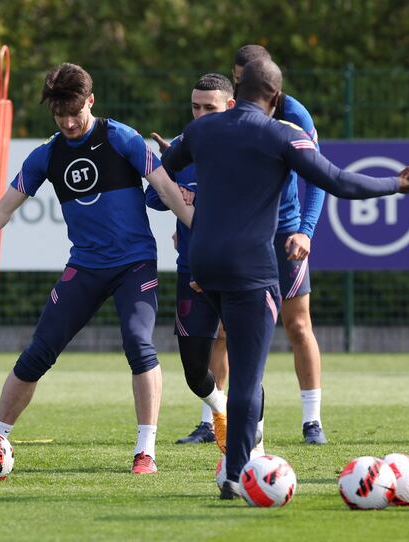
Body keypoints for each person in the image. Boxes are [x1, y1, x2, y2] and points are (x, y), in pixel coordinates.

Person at [161, 57, 409, 499]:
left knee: (219, 354)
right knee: (248, 378)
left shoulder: (199, 130)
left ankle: (243, 447)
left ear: (237, 87)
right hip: (249, 267)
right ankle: (236, 476)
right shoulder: (282, 134)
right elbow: (339, 181)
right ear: (275, 97)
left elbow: (165, 169)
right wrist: (395, 184)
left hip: (202, 263)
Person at [0, 63, 193, 474]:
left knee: (138, 343)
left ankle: (146, 451)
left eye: (75, 112)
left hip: (134, 265)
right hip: (85, 267)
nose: (69, 122)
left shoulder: (121, 138)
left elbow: (165, 189)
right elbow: (2, 209)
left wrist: (201, 231)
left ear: (91, 101)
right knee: (39, 351)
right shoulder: (47, 155)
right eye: (59, 115)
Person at [233, 44, 328, 444]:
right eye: (237, 81)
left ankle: (312, 421)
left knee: (298, 324)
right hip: (239, 236)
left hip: (283, 232)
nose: (241, 89)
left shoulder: (294, 115)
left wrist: (304, 230)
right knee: (227, 328)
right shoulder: (226, 112)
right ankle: (215, 420)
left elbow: (320, 178)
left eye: (247, 81)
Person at [145, 73, 236, 452]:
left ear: (230, 107)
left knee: (241, 357)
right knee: (194, 370)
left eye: (209, 108)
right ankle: (220, 412)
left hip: (237, 271)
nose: (200, 115)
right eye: (194, 107)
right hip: (191, 271)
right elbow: (153, 198)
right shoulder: (184, 147)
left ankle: (249, 450)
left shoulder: (247, 146)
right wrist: (171, 173)